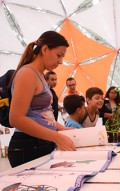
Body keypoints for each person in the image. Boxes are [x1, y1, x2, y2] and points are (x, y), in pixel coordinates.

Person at [8, 31, 76, 168]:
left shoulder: (39, 75)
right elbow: (16, 118)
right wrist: (56, 136)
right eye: (59, 55)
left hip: (41, 143)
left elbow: (44, 114)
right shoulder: (27, 73)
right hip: (28, 145)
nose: (61, 61)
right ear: (45, 49)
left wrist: (61, 129)